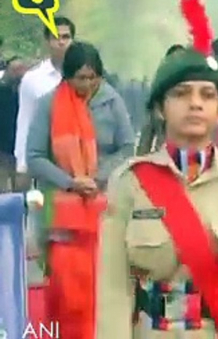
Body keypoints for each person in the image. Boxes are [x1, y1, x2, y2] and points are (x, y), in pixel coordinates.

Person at [96, 0, 218, 338]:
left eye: (207, 95)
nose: (195, 104)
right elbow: (114, 287)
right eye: (181, 94)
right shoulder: (129, 181)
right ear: (161, 108)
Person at [26, 41, 135, 338]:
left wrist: (97, 177)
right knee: (67, 290)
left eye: (92, 78)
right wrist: (70, 181)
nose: (87, 85)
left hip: (104, 209)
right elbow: (34, 155)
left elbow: (127, 148)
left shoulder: (113, 102)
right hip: (62, 217)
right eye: (80, 78)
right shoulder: (49, 104)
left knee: (102, 285)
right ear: (67, 76)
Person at [15, 16, 75, 190]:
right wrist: (22, 165)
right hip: (43, 159)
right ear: (47, 41)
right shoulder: (33, 79)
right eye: (56, 37)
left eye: (66, 37)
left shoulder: (83, 77)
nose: (61, 42)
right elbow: (25, 121)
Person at [135, 44, 185, 155]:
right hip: (162, 156)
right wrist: (140, 162)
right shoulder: (158, 96)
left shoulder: (194, 97)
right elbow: (147, 134)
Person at [0, 56, 26, 192]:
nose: (18, 73)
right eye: (15, 70)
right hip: (3, 151)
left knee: (22, 193)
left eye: (21, 70)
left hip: (21, 152)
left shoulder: (27, 94)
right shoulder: (2, 92)